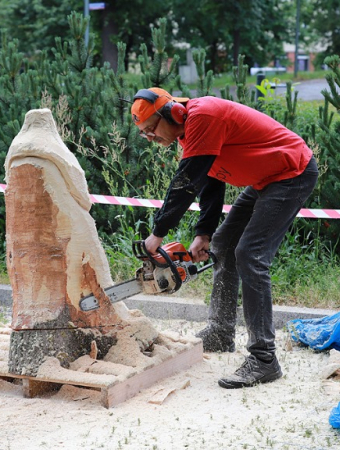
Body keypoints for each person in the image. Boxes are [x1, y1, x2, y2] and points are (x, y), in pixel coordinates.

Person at [130, 87, 319, 389]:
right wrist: (203, 233)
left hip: (290, 173)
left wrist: (158, 233)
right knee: (223, 243)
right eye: (144, 134)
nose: (151, 137)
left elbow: (187, 182)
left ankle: (264, 359)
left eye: (151, 129)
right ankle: (220, 332)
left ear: (173, 113)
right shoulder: (189, 134)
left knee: (250, 254)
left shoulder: (203, 116)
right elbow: (210, 181)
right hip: (264, 181)